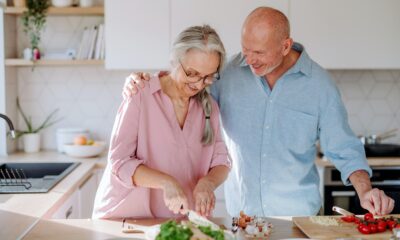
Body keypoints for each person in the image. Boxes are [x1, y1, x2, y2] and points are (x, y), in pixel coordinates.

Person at [123, 7, 395, 216]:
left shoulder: (320, 86)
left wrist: (365, 190)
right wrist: (144, 81)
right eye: (245, 50)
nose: (249, 60)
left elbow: (344, 149)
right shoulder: (228, 74)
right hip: (242, 219)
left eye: (259, 53)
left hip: (299, 220)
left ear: (285, 46)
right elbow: (186, 88)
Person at [93, 25, 231, 219]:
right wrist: (166, 182)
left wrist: (208, 182)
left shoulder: (210, 107)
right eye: (191, 73)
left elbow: (222, 160)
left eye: (208, 77)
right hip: (127, 219)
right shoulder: (140, 93)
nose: (199, 84)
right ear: (175, 60)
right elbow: (119, 162)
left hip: (181, 220)